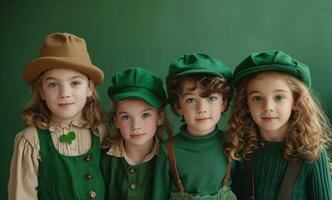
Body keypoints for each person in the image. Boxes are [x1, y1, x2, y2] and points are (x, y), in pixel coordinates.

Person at [8, 32, 108, 200]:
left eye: (75, 83)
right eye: (53, 84)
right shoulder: (30, 140)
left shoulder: (100, 132)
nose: (64, 93)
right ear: (42, 91)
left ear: (89, 88)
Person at [225, 50, 332, 199]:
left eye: (279, 97)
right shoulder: (240, 148)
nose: (268, 107)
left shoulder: (312, 154)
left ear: (295, 102)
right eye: (257, 98)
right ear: (246, 103)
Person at [152, 53, 237, 200]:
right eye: (191, 100)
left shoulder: (232, 143)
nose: (202, 109)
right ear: (178, 106)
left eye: (211, 98)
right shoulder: (168, 150)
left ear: (223, 103)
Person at [101, 67, 171, 200]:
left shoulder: (169, 158)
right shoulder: (103, 159)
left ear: (160, 117)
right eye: (126, 117)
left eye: (145, 115)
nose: (136, 126)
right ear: (116, 121)